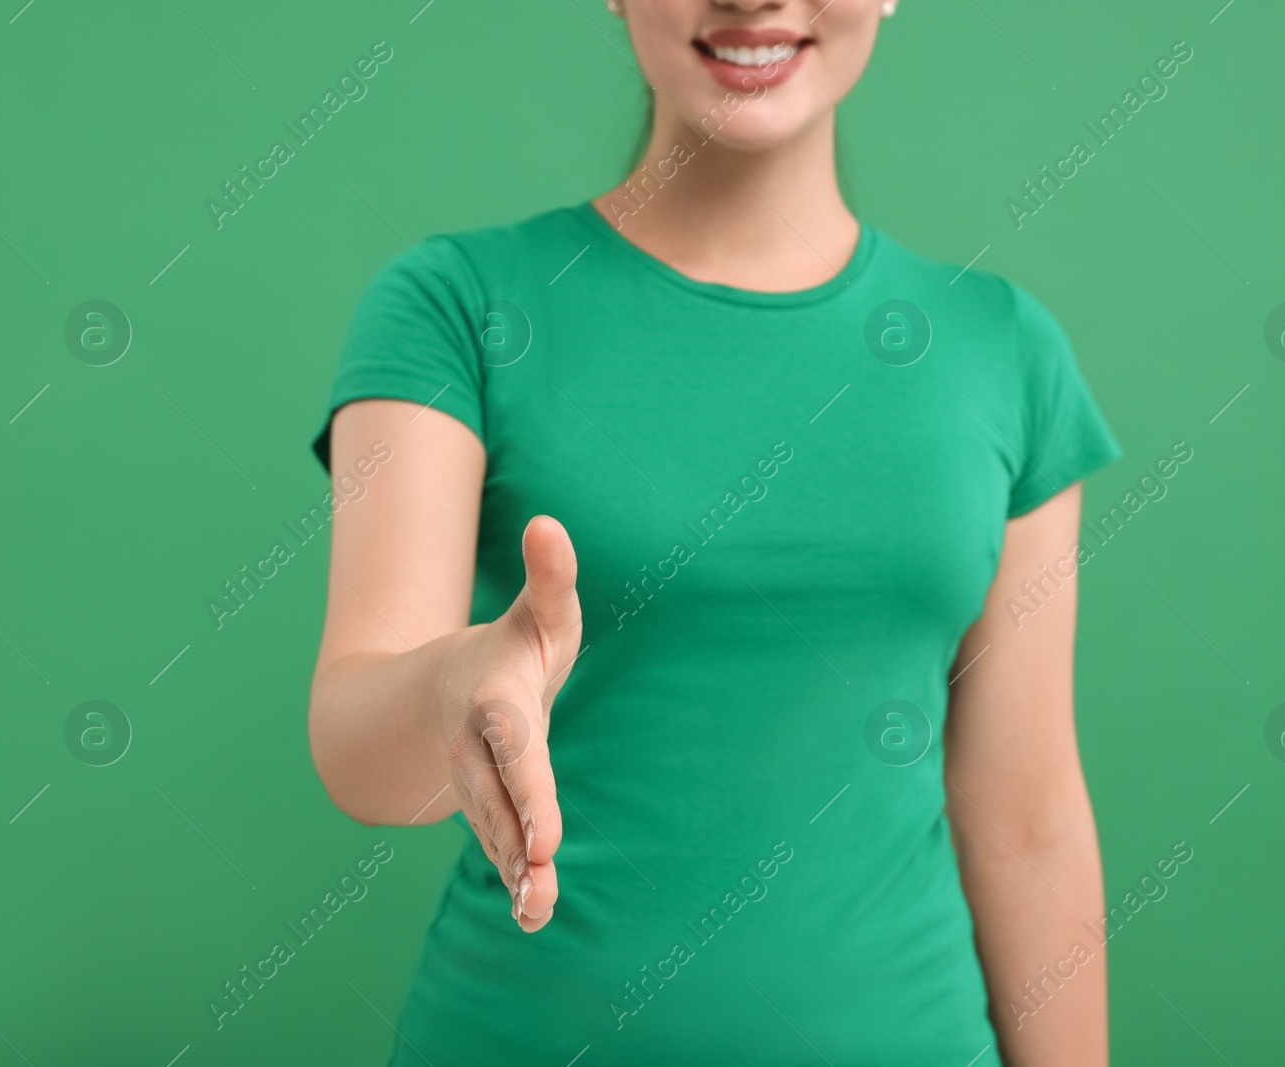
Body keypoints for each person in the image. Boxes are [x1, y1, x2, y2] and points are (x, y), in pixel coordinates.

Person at [307, 1, 1121, 1063]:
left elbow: (1025, 820)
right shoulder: (455, 304)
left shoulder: (1000, 348)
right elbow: (358, 740)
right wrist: (459, 686)